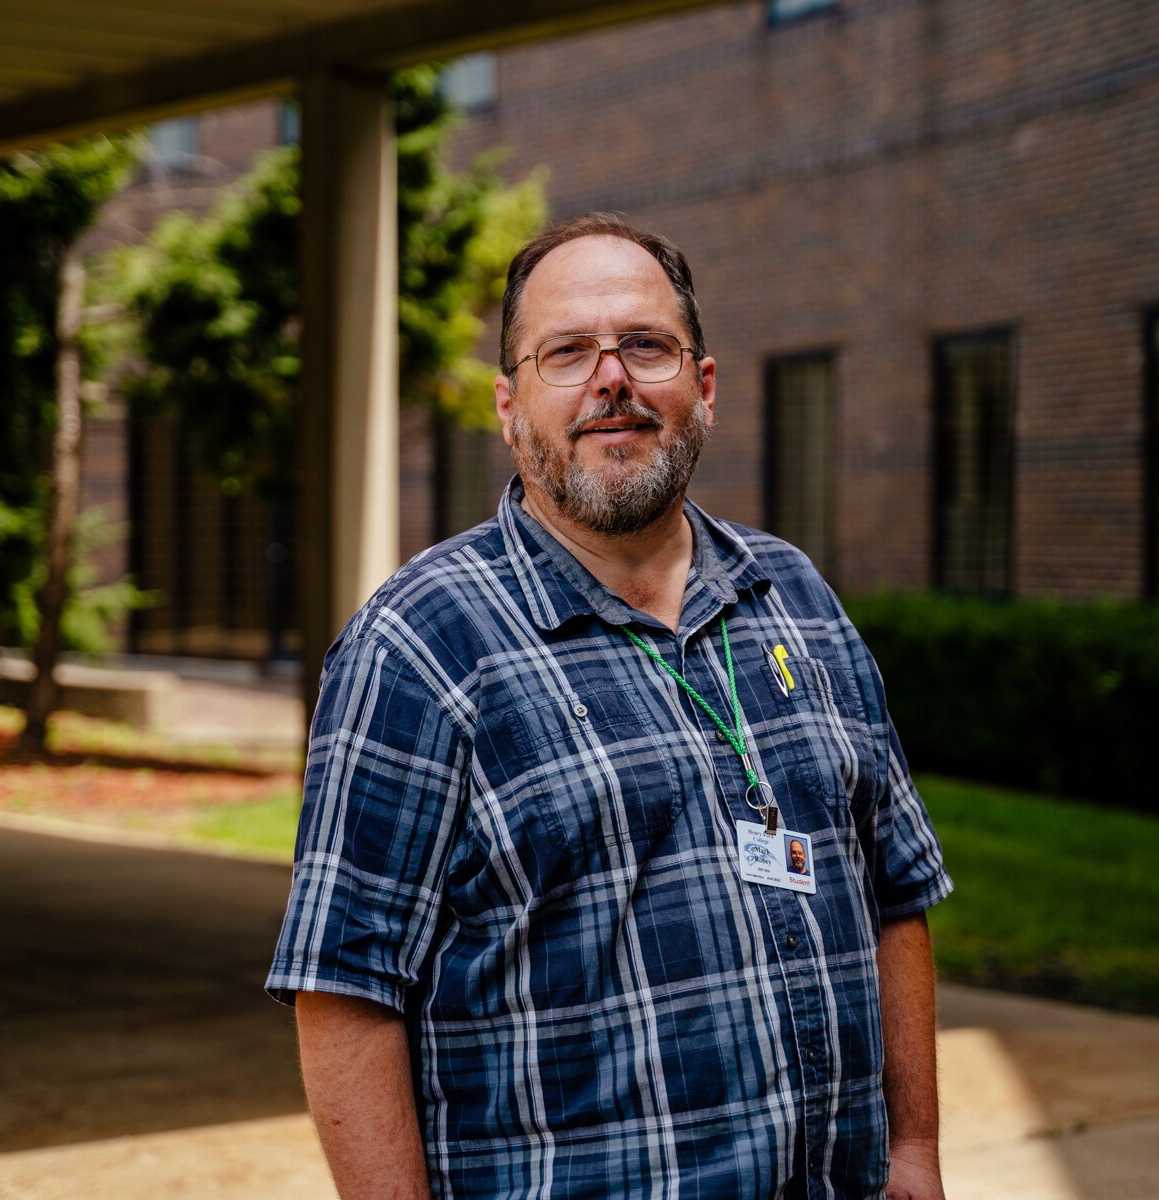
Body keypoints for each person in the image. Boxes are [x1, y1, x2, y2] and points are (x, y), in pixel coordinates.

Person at [268, 212, 952, 1199]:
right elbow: (345, 992)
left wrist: (915, 1151)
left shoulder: (798, 598)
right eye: (567, 353)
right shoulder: (418, 648)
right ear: (508, 406)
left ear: (703, 387)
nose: (612, 378)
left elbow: (895, 894)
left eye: (644, 345)